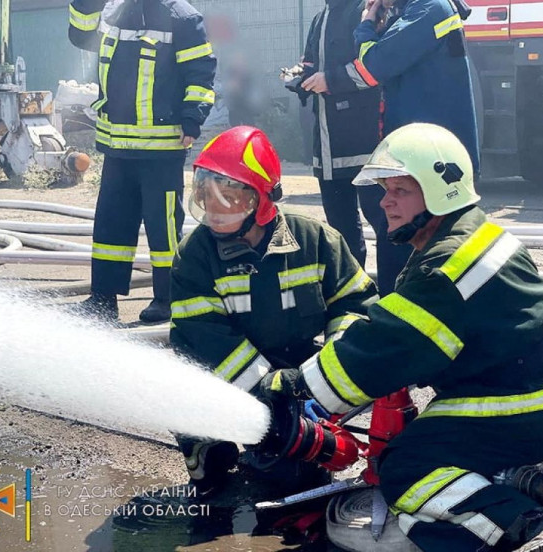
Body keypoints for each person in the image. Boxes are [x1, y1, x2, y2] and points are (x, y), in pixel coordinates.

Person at [260, 123, 543, 552]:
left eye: (400, 190)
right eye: (385, 188)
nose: (384, 201)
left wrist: (297, 386)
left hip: (534, 403)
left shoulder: (444, 267)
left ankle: (526, 527)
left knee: (407, 468)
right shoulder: (471, 231)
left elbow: (385, 348)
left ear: (442, 191)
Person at [168, 125, 378, 494]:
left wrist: (325, 377)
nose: (214, 210)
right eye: (206, 195)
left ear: (262, 200)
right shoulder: (196, 255)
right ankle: (204, 446)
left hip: (296, 367)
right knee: (209, 465)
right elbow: (207, 340)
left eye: (228, 198)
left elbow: (355, 305)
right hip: (221, 375)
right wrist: (270, 388)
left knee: (291, 478)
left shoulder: (316, 241)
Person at [68, 0, 216, 323]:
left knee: (163, 231)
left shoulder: (182, 17)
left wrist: (192, 118)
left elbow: (201, 75)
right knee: (110, 225)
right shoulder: (112, 10)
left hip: (161, 149)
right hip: (116, 146)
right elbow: (80, 36)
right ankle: (103, 299)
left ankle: (168, 299)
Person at [293, 0, 411, 295]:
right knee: (340, 232)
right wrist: (301, 76)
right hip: (328, 145)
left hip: (365, 142)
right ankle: (352, 299)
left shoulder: (365, 10)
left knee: (386, 223)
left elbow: (374, 67)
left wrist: (329, 80)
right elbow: (311, 60)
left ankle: (391, 296)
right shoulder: (322, 17)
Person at [346, 0, 481, 175]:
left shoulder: (428, 9)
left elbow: (375, 64)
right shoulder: (421, 10)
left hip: (432, 159)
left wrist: (366, 26)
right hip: (427, 153)